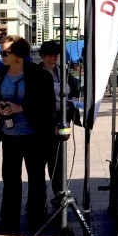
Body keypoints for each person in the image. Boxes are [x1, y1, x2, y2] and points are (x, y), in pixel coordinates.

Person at [0, 36, 55, 234]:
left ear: (18, 55)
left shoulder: (39, 75)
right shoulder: (2, 72)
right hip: (8, 135)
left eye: (5, 53)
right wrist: (0, 105)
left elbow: (48, 105)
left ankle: (36, 217)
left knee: (35, 177)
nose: (1, 56)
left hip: (33, 135)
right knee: (10, 179)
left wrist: (21, 108)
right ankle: (9, 220)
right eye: (1, 52)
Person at [39, 40, 81, 197]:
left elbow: (73, 90)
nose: (54, 58)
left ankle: (59, 191)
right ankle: (39, 197)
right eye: (51, 55)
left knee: (59, 157)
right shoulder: (37, 72)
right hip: (43, 122)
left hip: (62, 120)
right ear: (43, 56)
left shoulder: (62, 71)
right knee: (42, 158)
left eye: (56, 55)